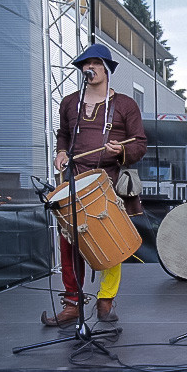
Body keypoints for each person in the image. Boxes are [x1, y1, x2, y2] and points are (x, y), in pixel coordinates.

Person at [42, 43, 147, 326]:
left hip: (107, 181)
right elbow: (64, 134)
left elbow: (140, 144)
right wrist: (61, 152)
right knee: (69, 242)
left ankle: (105, 300)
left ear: (107, 69)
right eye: (86, 64)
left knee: (110, 241)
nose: (90, 68)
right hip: (74, 180)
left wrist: (121, 150)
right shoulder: (69, 102)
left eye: (96, 63)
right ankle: (72, 303)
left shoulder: (125, 104)